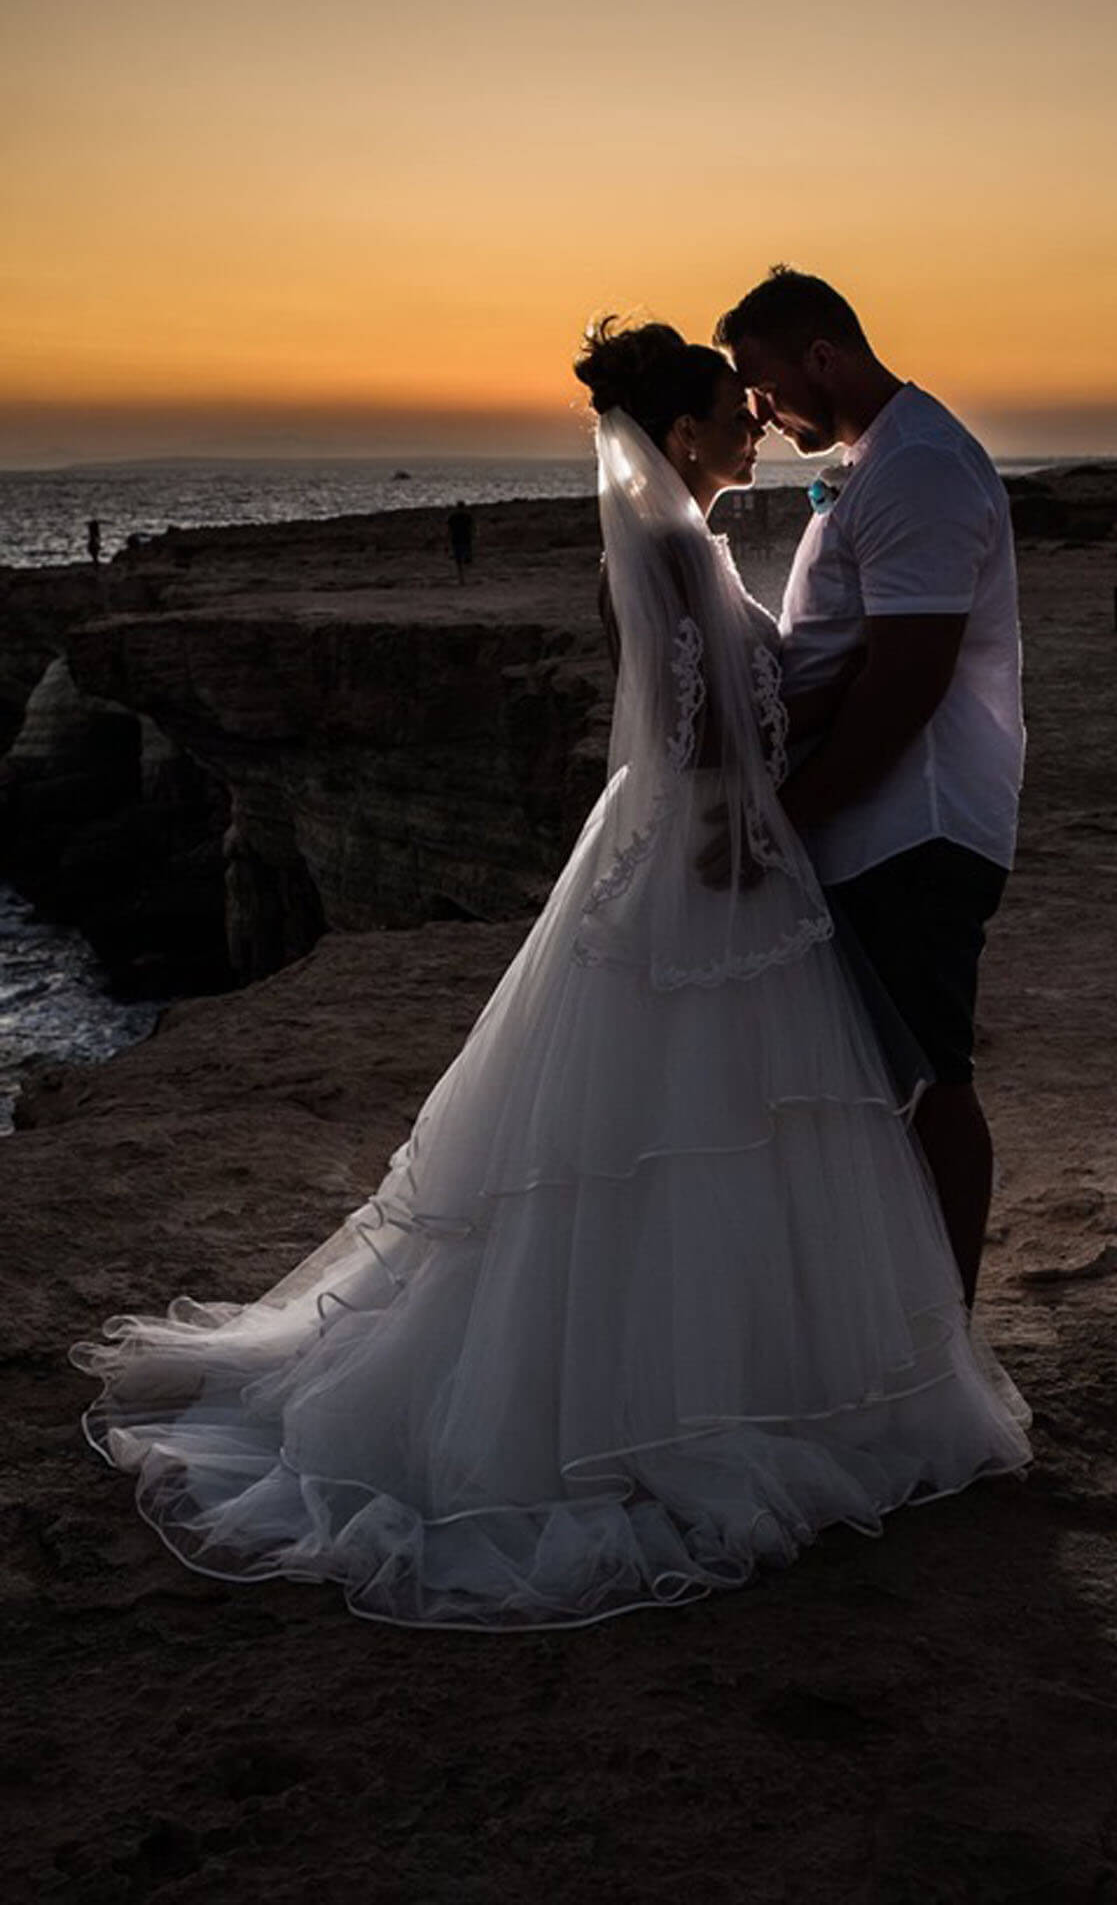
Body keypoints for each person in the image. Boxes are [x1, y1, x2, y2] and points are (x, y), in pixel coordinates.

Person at [70, 318, 1030, 1633]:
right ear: (682, 434)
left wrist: (832, 691)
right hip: (707, 865)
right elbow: (702, 736)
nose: (752, 418)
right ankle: (682, 1398)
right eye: (729, 406)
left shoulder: (671, 541)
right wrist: (771, 805)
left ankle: (730, 1368)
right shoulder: (674, 550)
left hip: (697, 855)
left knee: (687, 1131)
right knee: (696, 1127)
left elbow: (726, 712)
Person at [716, 269, 1025, 1309]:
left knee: (931, 1077)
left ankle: (943, 1341)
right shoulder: (879, 460)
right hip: (875, 821)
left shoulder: (922, 468)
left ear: (821, 356)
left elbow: (906, 683)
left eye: (760, 382)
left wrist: (787, 818)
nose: (756, 409)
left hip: (917, 824)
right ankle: (891, 1320)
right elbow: (849, 659)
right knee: (882, 1080)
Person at [447, 499, 475, 583]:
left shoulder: (454, 517)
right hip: (463, 539)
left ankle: (462, 577)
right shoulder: (466, 516)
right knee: (462, 559)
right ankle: (462, 577)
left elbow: (449, 529)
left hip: (459, 539)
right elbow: (472, 527)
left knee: (461, 559)